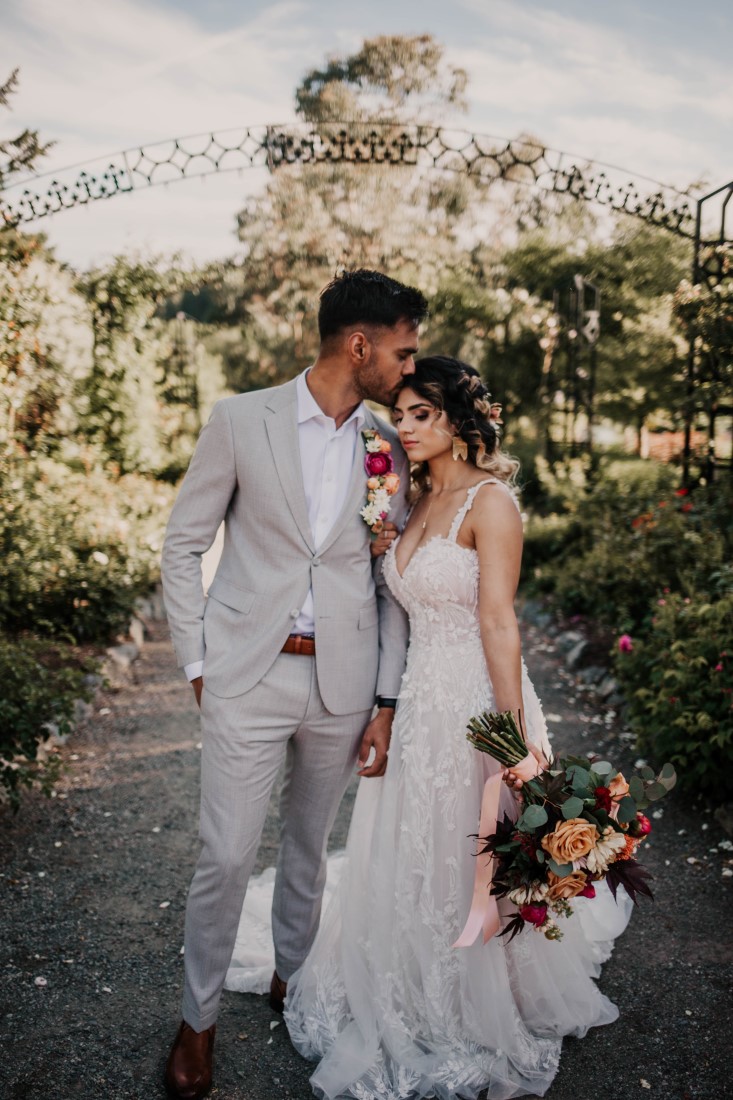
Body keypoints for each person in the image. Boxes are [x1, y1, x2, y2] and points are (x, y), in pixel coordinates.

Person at [247, 355, 630, 1099]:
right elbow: (392, 605)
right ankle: (403, 970)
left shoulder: (490, 503)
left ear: (460, 420)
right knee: (413, 848)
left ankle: (477, 988)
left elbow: (497, 622)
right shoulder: (410, 499)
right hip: (419, 700)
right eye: (403, 413)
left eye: (423, 413)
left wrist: (514, 742)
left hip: (477, 703)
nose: (406, 427)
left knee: (472, 846)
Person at [160, 269, 429, 1100]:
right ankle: (196, 1022)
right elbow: (182, 543)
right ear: (359, 344)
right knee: (225, 854)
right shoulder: (241, 419)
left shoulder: (389, 445)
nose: (408, 367)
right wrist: (199, 663)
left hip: (342, 683)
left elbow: (393, 584)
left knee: (309, 850)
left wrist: (384, 699)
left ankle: (292, 977)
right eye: (401, 349)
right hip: (247, 672)